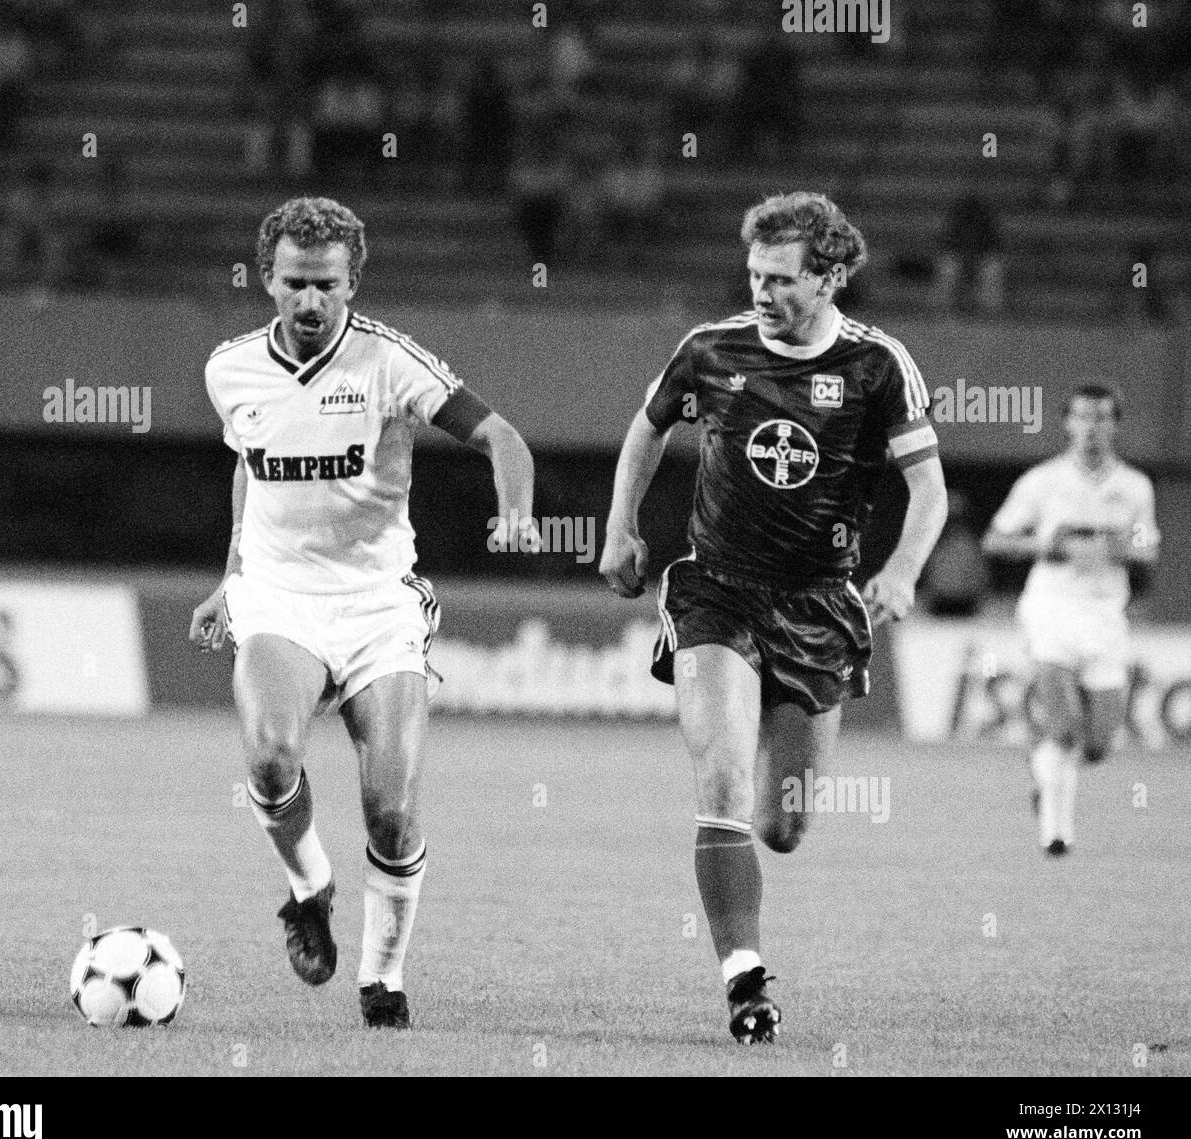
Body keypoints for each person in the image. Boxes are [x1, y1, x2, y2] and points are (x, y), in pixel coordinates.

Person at [599, 192, 948, 1044]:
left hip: (820, 603)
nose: (763, 292)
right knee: (719, 783)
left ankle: (761, 744)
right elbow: (646, 431)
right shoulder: (710, 350)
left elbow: (928, 490)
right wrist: (620, 526)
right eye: (755, 275)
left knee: (783, 825)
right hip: (716, 589)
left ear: (829, 278)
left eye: (783, 280)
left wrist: (900, 570)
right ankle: (745, 980)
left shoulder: (877, 366)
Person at [190, 197, 537, 1028]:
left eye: (328, 286)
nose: (311, 302)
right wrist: (230, 572)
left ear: (353, 283)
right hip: (279, 593)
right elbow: (251, 467)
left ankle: (382, 976)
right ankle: (309, 887)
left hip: (379, 602)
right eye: (296, 284)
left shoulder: (389, 363)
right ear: (268, 279)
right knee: (272, 758)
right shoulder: (229, 369)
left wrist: (516, 510)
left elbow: (503, 437)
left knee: (391, 807)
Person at [982, 384, 1159, 857]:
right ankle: (1056, 832)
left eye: (1102, 419)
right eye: (1083, 418)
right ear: (1067, 423)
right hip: (1051, 608)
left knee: (1098, 744)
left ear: (1115, 425)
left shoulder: (1135, 487)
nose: (1092, 428)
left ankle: (1045, 775)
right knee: (1062, 727)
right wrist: (1049, 546)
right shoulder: (1042, 481)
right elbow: (996, 540)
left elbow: (1149, 547)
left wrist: (1125, 549)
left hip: (1105, 616)